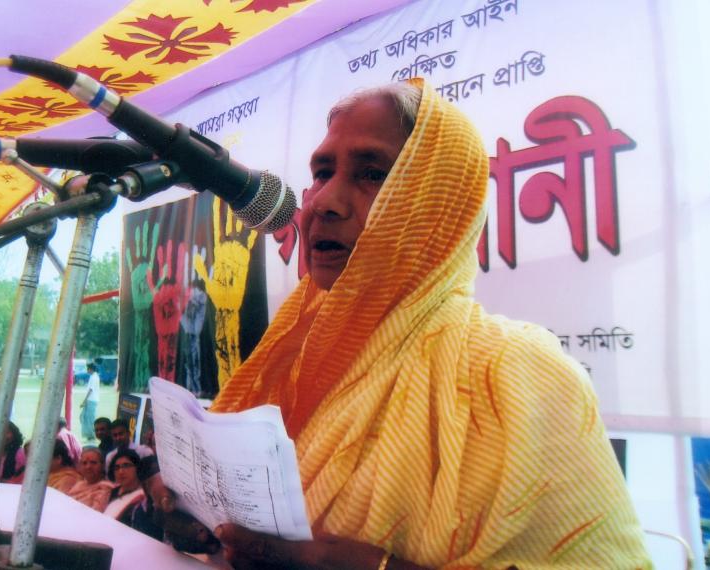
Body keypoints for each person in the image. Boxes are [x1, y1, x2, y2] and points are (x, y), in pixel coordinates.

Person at [202, 80, 651, 568]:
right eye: (322, 172)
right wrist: (211, 527)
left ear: (441, 202)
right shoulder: (290, 362)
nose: (323, 202)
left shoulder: (517, 371)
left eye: (372, 174)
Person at [104, 449, 146, 525]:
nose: (121, 472)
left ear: (137, 467)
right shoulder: (113, 492)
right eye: (117, 468)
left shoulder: (143, 496)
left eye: (126, 466)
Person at [68, 447, 116, 512]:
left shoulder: (106, 488)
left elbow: (94, 515)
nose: (88, 467)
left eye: (93, 462)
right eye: (84, 463)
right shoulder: (78, 485)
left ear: (103, 465)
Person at [80, 363, 100, 442]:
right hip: (90, 400)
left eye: (88, 369)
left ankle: (92, 436)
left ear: (91, 369)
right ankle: (89, 435)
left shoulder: (94, 377)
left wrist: (84, 401)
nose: (87, 370)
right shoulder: (92, 376)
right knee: (84, 417)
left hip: (92, 400)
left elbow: (91, 390)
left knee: (91, 419)